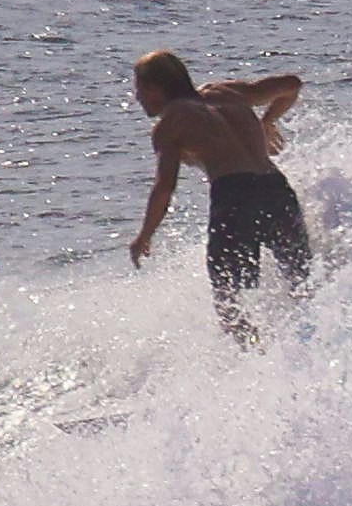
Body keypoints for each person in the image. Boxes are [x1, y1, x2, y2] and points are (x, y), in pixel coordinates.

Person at [126, 51, 311, 338]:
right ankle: (316, 350)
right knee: (303, 284)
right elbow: (291, 84)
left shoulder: (170, 125)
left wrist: (144, 236)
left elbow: (165, 187)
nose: (137, 98)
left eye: (138, 90)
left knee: (230, 305)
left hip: (235, 199)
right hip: (277, 190)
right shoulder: (227, 92)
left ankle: (258, 366)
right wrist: (267, 121)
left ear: (154, 90)